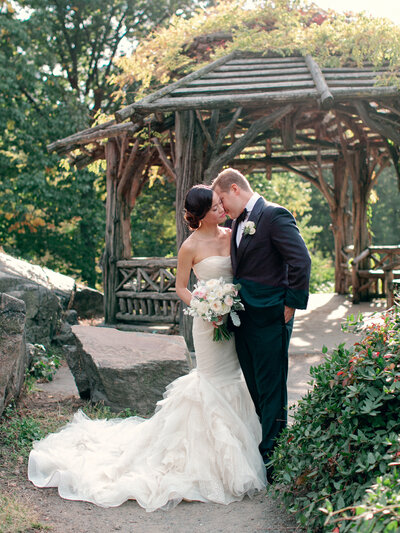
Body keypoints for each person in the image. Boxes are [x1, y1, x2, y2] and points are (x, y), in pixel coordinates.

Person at [28, 184, 266, 512]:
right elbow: (182, 288)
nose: (221, 208)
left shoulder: (233, 234)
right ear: (198, 216)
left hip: (234, 321)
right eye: (213, 207)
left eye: (219, 203)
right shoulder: (190, 246)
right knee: (210, 382)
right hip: (208, 324)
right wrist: (206, 307)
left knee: (233, 381)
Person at [212, 168, 311, 481]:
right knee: (255, 386)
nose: (222, 207)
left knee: (271, 389)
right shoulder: (236, 222)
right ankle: (268, 450)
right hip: (243, 317)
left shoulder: (274, 215)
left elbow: (301, 260)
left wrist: (292, 303)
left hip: (271, 316)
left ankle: (274, 462)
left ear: (235, 189)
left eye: (222, 199)